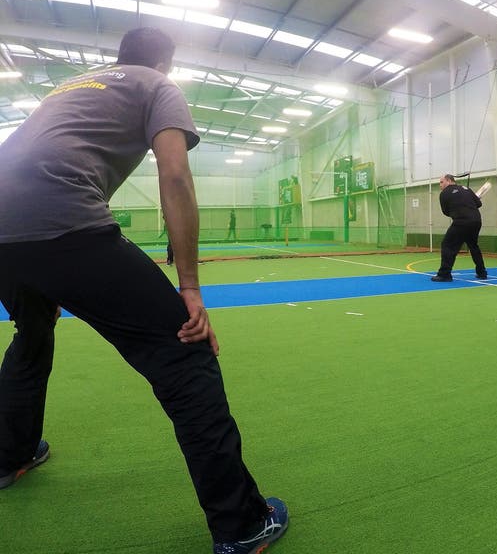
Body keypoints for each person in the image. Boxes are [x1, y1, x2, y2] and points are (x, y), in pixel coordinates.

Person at [0, 28, 288, 554]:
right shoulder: (156, 83)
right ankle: (243, 523)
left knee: (32, 330)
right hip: (62, 218)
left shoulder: (73, 86)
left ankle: (8, 455)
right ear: (167, 62)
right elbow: (175, 175)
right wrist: (191, 287)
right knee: (185, 351)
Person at [431, 174, 488, 282]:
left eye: (441, 182)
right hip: (476, 221)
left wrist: (457, 210)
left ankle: (444, 274)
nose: (440, 185)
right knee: (473, 246)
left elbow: (446, 212)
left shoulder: (444, 194)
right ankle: (482, 273)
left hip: (461, 221)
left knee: (447, 245)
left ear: (449, 181)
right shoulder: (467, 189)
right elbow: (478, 204)